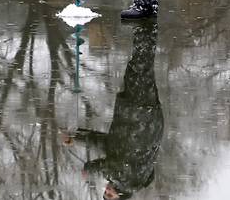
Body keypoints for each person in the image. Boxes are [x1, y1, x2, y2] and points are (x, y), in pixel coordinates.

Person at [62, 21, 163, 199]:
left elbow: (105, 143)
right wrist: (90, 168)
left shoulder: (126, 173)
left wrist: (77, 138)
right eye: (109, 196)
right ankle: (146, 22)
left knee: (137, 67)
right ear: (121, 196)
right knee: (141, 66)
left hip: (140, 115)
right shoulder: (128, 181)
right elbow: (112, 167)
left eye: (105, 193)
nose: (106, 190)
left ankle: (145, 25)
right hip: (140, 118)